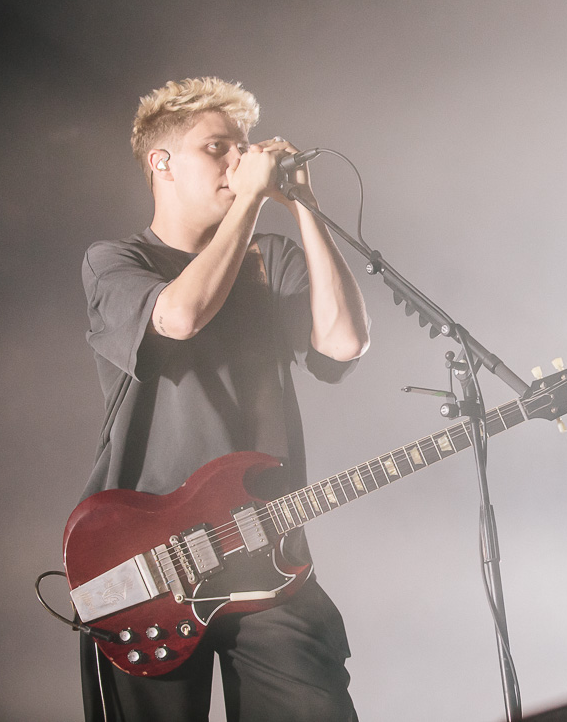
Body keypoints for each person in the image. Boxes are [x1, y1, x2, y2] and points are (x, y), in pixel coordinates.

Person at [78, 77, 369, 721]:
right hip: (147, 563)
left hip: (267, 554)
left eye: (242, 146)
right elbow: (179, 317)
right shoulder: (116, 261)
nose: (239, 160)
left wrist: (303, 206)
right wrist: (250, 204)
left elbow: (345, 342)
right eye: (217, 148)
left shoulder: (271, 258)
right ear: (162, 163)